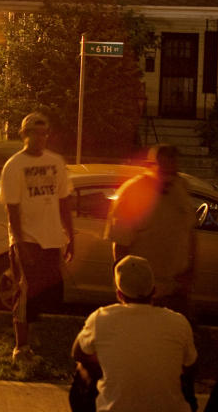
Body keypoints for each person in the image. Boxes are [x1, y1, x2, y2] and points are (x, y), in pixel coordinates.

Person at [71, 255, 198, 412]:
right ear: (154, 290)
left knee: (82, 369)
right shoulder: (179, 321)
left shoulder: (101, 317)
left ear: (119, 294)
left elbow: (78, 353)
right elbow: (190, 364)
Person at [0, 111, 74, 361]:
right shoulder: (14, 166)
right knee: (25, 291)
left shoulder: (56, 162)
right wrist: (19, 243)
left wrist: (70, 235)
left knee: (47, 292)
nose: (39, 138)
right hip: (27, 240)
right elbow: (12, 208)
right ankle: (21, 346)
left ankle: (36, 338)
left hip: (52, 239)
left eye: (43, 133)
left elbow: (64, 200)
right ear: (23, 134)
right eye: (34, 133)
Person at [105, 144, 198, 317]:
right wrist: (126, 286)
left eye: (173, 165)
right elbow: (120, 244)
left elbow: (190, 233)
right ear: (152, 166)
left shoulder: (181, 187)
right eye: (164, 167)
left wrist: (190, 273)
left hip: (176, 290)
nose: (170, 172)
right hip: (144, 293)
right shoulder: (134, 192)